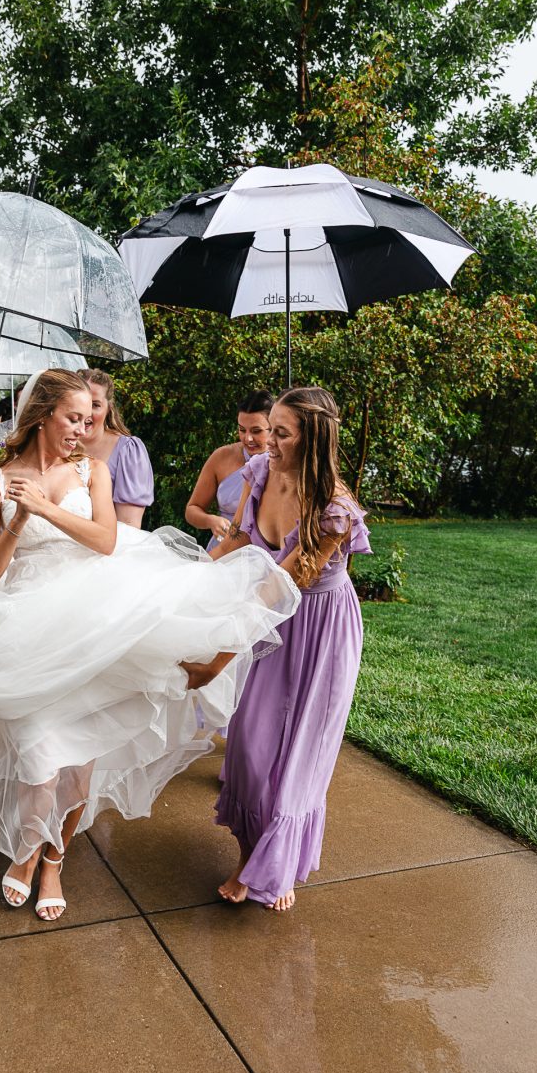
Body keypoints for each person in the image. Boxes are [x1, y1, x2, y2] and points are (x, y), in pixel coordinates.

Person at [0, 369, 300, 917]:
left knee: (80, 760)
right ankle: (27, 849)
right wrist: (20, 518)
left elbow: (105, 541)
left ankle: (53, 859)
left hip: (95, 622)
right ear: (42, 414)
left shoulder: (93, 471)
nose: (84, 426)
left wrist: (47, 508)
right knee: (38, 754)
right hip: (26, 629)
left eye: (89, 417)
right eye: (73, 417)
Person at [212, 386, 371, 912]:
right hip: (268, 615)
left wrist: (227, 632)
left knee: (300, 753)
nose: (267, 442)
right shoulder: (258, 473)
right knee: (249, 748)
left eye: (281, 433)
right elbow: (236, 540)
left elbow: (291, 579)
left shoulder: (336, 511)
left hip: (318, 628)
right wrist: (191, 586)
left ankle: (275, 866)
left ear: (312, 440)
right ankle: (247, 853)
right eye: (268, 429)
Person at [185, 390, 273, 550]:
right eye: (242, 430)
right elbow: (192, 509)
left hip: (265, 555)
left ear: (273, 429)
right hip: (223, 549)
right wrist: (211, 521)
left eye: (256, 431)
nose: (248, 438)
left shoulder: (285, 465)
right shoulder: (221, 456)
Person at [77, 368, 154, 528]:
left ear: (108, 408)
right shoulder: (55, 448)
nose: (85, 413)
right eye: (80, 403)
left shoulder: (128, 452)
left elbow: (129, 526)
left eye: (95, 405)